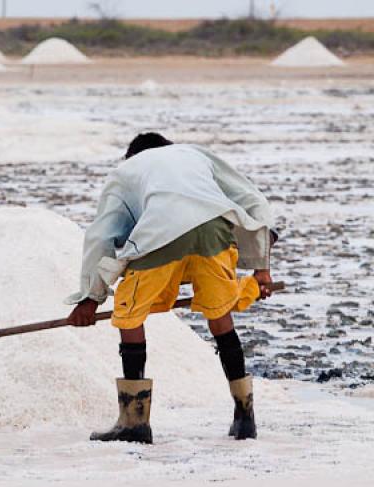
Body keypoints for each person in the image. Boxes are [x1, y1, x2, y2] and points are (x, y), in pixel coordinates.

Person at [66, 133, 277, 444]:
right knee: (219, 314)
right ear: (168, 147)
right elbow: (253, 199)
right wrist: (262, 268)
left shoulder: (126, 172)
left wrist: (90, 298)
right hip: (214, 232)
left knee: (130, 314)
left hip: (159, 234)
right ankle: (245, 417)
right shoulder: (194, 154)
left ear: (132, 157)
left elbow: (102, 235)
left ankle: (134, 422)